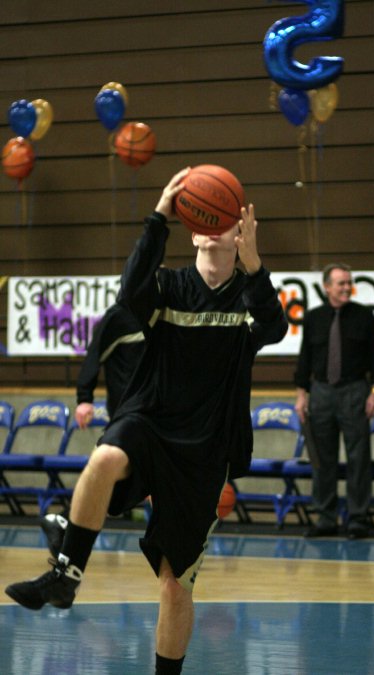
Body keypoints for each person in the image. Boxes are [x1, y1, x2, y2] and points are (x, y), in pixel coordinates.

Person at [6, 168, 288, 675]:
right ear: (193, 227)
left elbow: (274, 326)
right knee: (106, 455)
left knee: (175, 581)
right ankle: (66, 575)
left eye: (222, 219)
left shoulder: (249, 295)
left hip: (205, 448)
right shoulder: (168, 286)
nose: (211, 225)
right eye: (203, 219)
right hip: (151, 420)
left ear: (238, 228)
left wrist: (256, 266)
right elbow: (129, 291)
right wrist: (158, 215)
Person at [41, 303, 145, 558]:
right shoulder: (120, 315)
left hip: (153, 413)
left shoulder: (163, 315)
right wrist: (84, 397)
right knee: (120, 478)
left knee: (130, 484)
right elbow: (93, 353)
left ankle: (65, 522)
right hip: (128, 413)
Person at [294, 263, 374, 539]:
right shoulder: (313, 317)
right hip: (320, 392)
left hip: (355, 391)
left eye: (349, 283)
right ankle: (325, 517)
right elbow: (304, 360)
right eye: (341, 283)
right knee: (323, 459)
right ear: (327, 287)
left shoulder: (364, 316)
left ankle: (357, 518)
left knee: (359, 458)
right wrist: (301, 396)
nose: (346, 287)